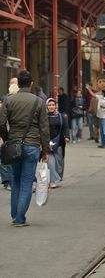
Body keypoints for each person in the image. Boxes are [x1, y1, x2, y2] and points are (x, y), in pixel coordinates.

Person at [0, 69, 49, 227]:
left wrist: (7, 139)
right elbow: (44, 128)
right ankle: (20, 218)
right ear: (31, 83)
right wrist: (45, 150)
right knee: (27, 182)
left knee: (15, 181)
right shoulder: (39, 102)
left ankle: (15, 215)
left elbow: (1, 123)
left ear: (18, 83)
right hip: (32, 146)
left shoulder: (8, 100)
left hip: (14, 144)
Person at [46, 98, 69, 188]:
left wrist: (67, 136)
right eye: (49, 105)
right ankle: (52, 181)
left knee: (59, 162)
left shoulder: (61, 116)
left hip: (59, 142)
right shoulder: (43, 117)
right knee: (51, 162)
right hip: (47, 143)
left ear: (55, 106)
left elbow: (65, 127)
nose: (51, 106)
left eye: (53, 105)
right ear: (47, 106)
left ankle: (57, 177)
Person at [87, 73, 105, 148]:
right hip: (100, 115)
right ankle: (103, 143)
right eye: (100, 82)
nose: (102, 84)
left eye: (104, 81)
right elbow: (93, 95)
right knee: (101, 131)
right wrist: (89, 89)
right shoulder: (101, 94)